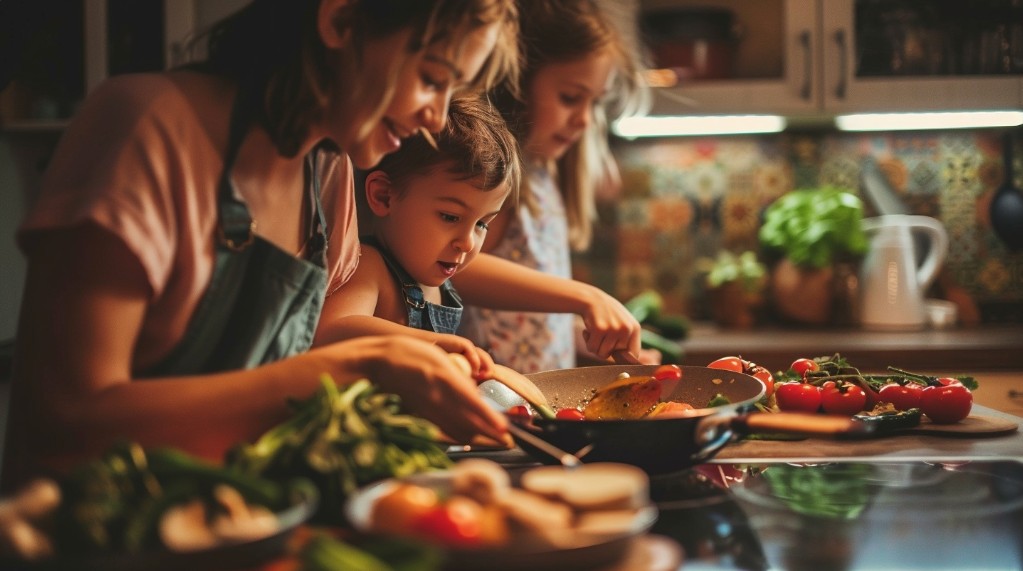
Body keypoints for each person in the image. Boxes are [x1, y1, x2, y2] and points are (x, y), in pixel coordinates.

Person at [1, 0, 521, 491]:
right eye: (431, 79)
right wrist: (360, 365)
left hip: (241, 517)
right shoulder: (144, 124)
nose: (435, 119)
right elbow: (67, 421)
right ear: (341, 21)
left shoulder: (328, 171)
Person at [457, 0, 651, 373]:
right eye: (570, 97)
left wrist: (584, 339)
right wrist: (585, 297)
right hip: (493, 395)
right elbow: (458, 268)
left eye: (594, 103)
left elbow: (529, 319)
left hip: (537, 397)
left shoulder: (543, 175)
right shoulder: (491, 174)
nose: (584, 120)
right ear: (515, 84)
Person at [314, 95, 518, 381]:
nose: (468, 243)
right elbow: (332, 330)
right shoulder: (369, 265)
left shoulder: (437, 275)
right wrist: (433, 343)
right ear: (384, 196)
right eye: (450, 217)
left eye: (482, 224)